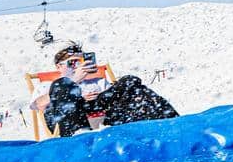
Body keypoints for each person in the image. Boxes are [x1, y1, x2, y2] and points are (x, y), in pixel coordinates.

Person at [41, 43, 180, 138]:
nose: (78, 66)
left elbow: (119, 100)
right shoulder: (48, 84)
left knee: (129, 81)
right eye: (73, 62)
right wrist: (73, 83)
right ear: (59, 66)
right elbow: (39, 105)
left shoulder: (98, 81)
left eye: (81, 61)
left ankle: (176, 125)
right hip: (73, 119)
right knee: (61, 85)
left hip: (105, 119)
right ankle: (81, 135)